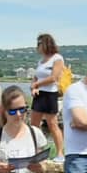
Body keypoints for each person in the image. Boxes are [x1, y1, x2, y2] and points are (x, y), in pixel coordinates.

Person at [30, 33, 66, 164]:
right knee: (34, 125)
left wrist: (37, 84)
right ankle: (38, 151)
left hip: (50, 94)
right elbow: (36, 77)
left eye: (38, 44)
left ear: (44, 44)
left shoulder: (57, 58)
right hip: (39, 94)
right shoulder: (40, 61)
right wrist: (33, 87)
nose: (37, 47)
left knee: (52, 124)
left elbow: (54, 77)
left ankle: (60, 153)